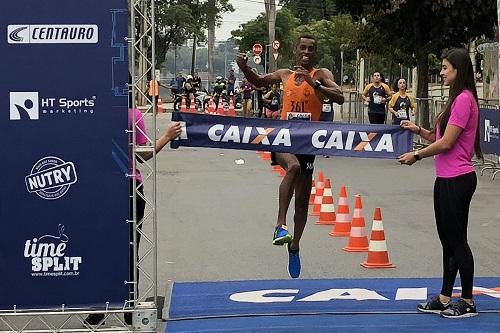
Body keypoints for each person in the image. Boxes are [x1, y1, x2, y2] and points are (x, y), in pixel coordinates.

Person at [236, 34, 344, 278]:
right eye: (302, 48)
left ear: (315, 53)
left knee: (303, 203)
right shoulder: (285, 74)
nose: (306, 52)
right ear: (295, 51)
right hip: (283, 137)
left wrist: (314, 83)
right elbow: (260, 81)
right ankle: (280, 226)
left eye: (310, 48)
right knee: (292, 167)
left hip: (308, 141)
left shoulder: (321, 74)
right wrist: (245, 69)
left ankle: (294, 246)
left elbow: (339, 96)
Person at [85, 82, 182, 327]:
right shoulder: (132, 114)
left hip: (99, 189)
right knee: (130, 250)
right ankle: (129, 308)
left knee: (101, 249)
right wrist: (167, 137)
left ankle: (99, 308)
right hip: (128, 187)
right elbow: (144, 153)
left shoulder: (91, 112)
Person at [398, 48, 482, 319]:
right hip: (445, 179)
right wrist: (418, 131)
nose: (442, 72)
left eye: (445, 67)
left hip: (458, 179)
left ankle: (467, 300)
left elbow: (446, 143)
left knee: (458, 241)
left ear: (458, 70)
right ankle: (446, 296)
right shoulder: (455, 99)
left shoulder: (464, 100)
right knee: (447, 241)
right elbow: (442, 137)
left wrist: (417, 155)